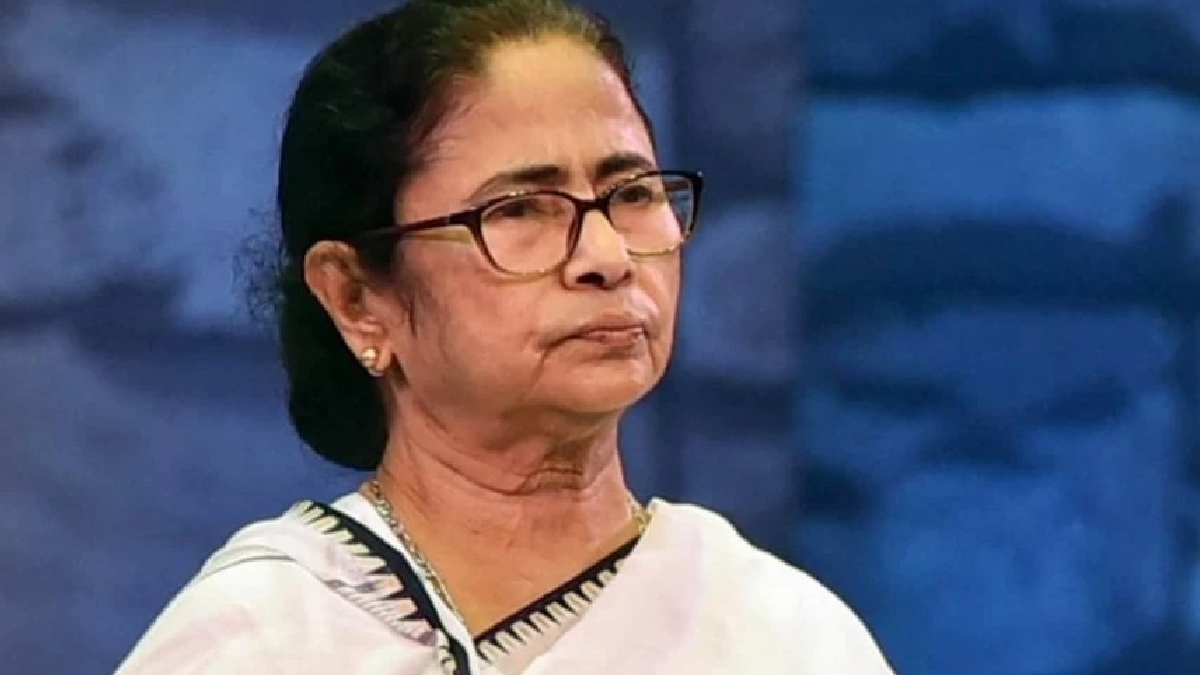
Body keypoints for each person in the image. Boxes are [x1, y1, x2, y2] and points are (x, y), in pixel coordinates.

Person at [113, 1, 894, 673]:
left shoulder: (781, 636)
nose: (606, 256)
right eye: (520, 209)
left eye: (632, 193)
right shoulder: (265, 639)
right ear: (356, 298)